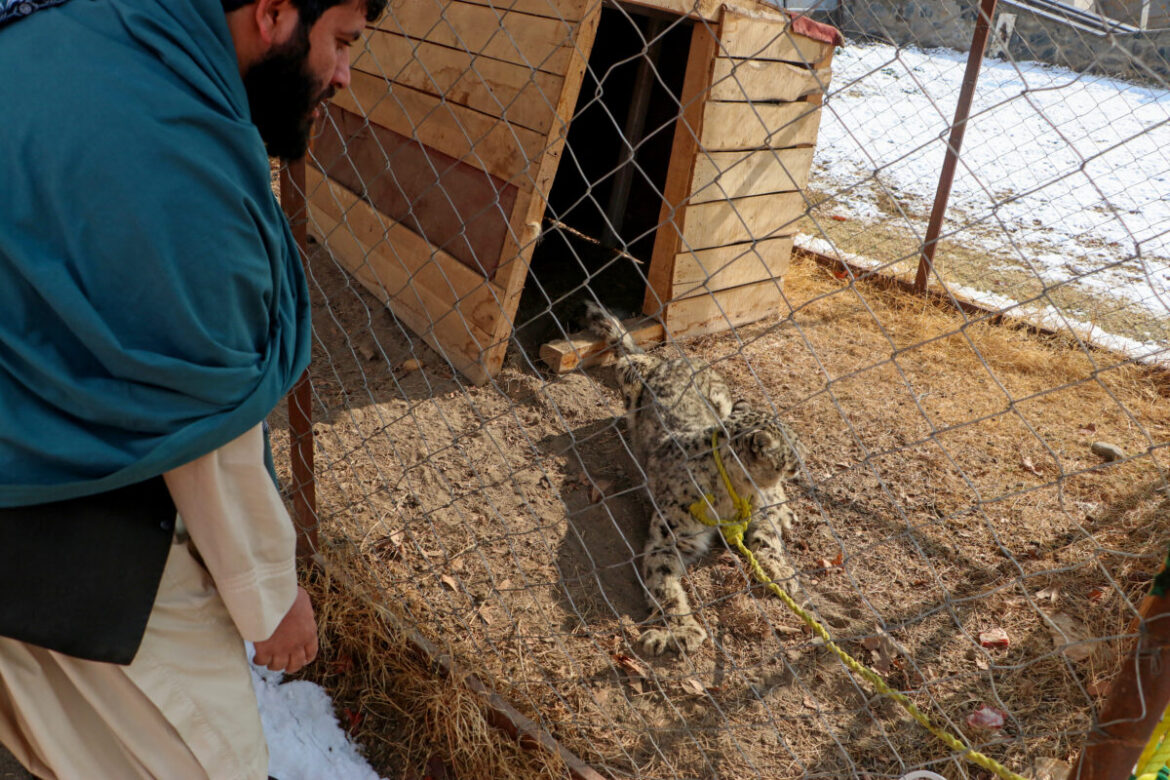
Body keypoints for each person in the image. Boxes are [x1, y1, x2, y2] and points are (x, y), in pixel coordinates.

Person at [0, 0, 385, 776]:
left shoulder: (80, 27)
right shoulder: (178, 171)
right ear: (274, 13)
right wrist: (271, 598)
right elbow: (200, 426)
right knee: (215, 760)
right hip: (30, 525)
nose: (345, 74)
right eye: (341, 43)